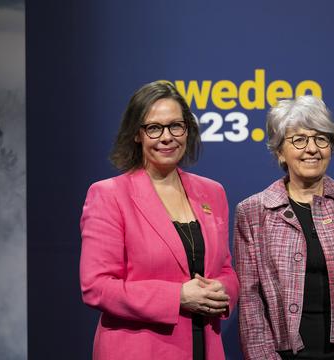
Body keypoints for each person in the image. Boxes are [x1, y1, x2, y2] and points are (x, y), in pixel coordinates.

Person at [79, 81, 238, 360]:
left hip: (205, 348)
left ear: (187, 129)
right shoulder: (109, 195)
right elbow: (97, 286)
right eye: (154, 128)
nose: (167, 137)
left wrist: (223, 289)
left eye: (176, 125)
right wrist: (177, 297)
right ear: (137, 134)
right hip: (139, 351)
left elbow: (224, 268)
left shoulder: (213, 192)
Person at [233, 95, 334, 359]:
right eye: (299, 140)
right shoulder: (254, 212)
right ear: (279, 150)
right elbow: (251, 305)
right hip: (288, 351)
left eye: (321, 138)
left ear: (331, 146)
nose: (311, 149)